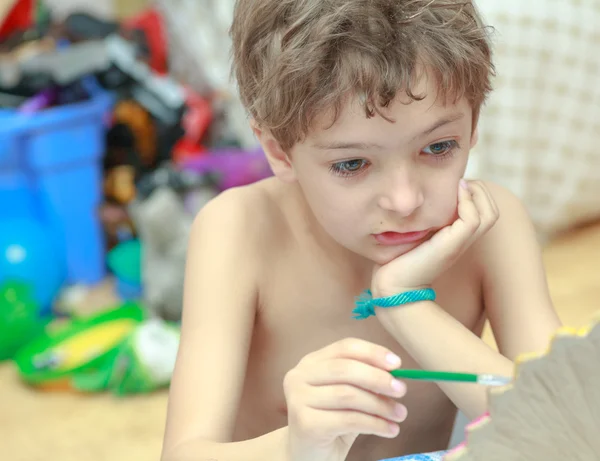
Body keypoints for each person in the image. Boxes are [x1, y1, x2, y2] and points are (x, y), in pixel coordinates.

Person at [161, 1, 562, 460]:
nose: (405, 200)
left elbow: (567, 428)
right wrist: (297, 446)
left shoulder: (491, 225)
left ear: (473, 124)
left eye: (438, 147)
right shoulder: (241, 231)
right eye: (351, 163)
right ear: (279, 152)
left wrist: (406, 303)